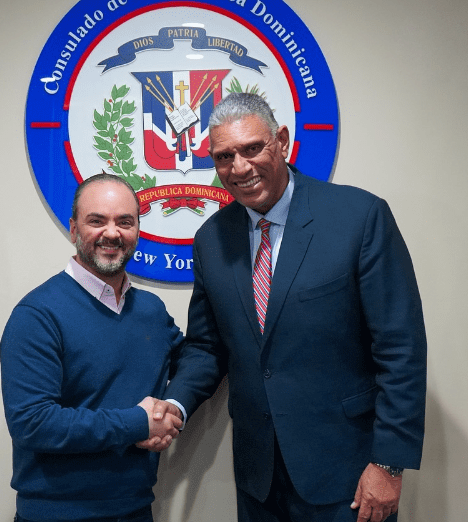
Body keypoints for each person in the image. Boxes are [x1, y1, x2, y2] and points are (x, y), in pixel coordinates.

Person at [146, 93, 427, 522]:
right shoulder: (211, 241)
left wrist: (389, 463)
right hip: (259, 478)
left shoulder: (358, 216)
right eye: (224, 157)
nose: (239, 168)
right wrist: (176, 405)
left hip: (347, 474)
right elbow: (207, 346)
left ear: (281, 139)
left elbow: (401, 349)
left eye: (252, 148)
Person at [0, 173, 183, 522]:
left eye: (124, 222)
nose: (112, 233)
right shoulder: (37, 314)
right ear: (73, 229)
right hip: (56, 515)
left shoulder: (151, 311)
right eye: (96, 221)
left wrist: (175, 407)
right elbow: (33, 422)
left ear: (137, 231)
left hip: (137, 509)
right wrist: (136, 423)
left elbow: (193, 362)